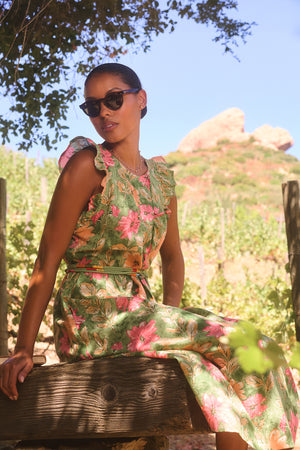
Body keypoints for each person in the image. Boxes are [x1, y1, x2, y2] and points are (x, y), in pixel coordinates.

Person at [0, 63, 298, 450]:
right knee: (242, 344)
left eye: (113, 99)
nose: (103, 112)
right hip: (91, 314)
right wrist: (23, 349)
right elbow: (46, 262)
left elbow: (172, 259)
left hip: (140, 313)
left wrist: (169, 321)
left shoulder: (161, 180)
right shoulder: (86, 167)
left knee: (247, 348)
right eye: (92, 106)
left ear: (140, 100)